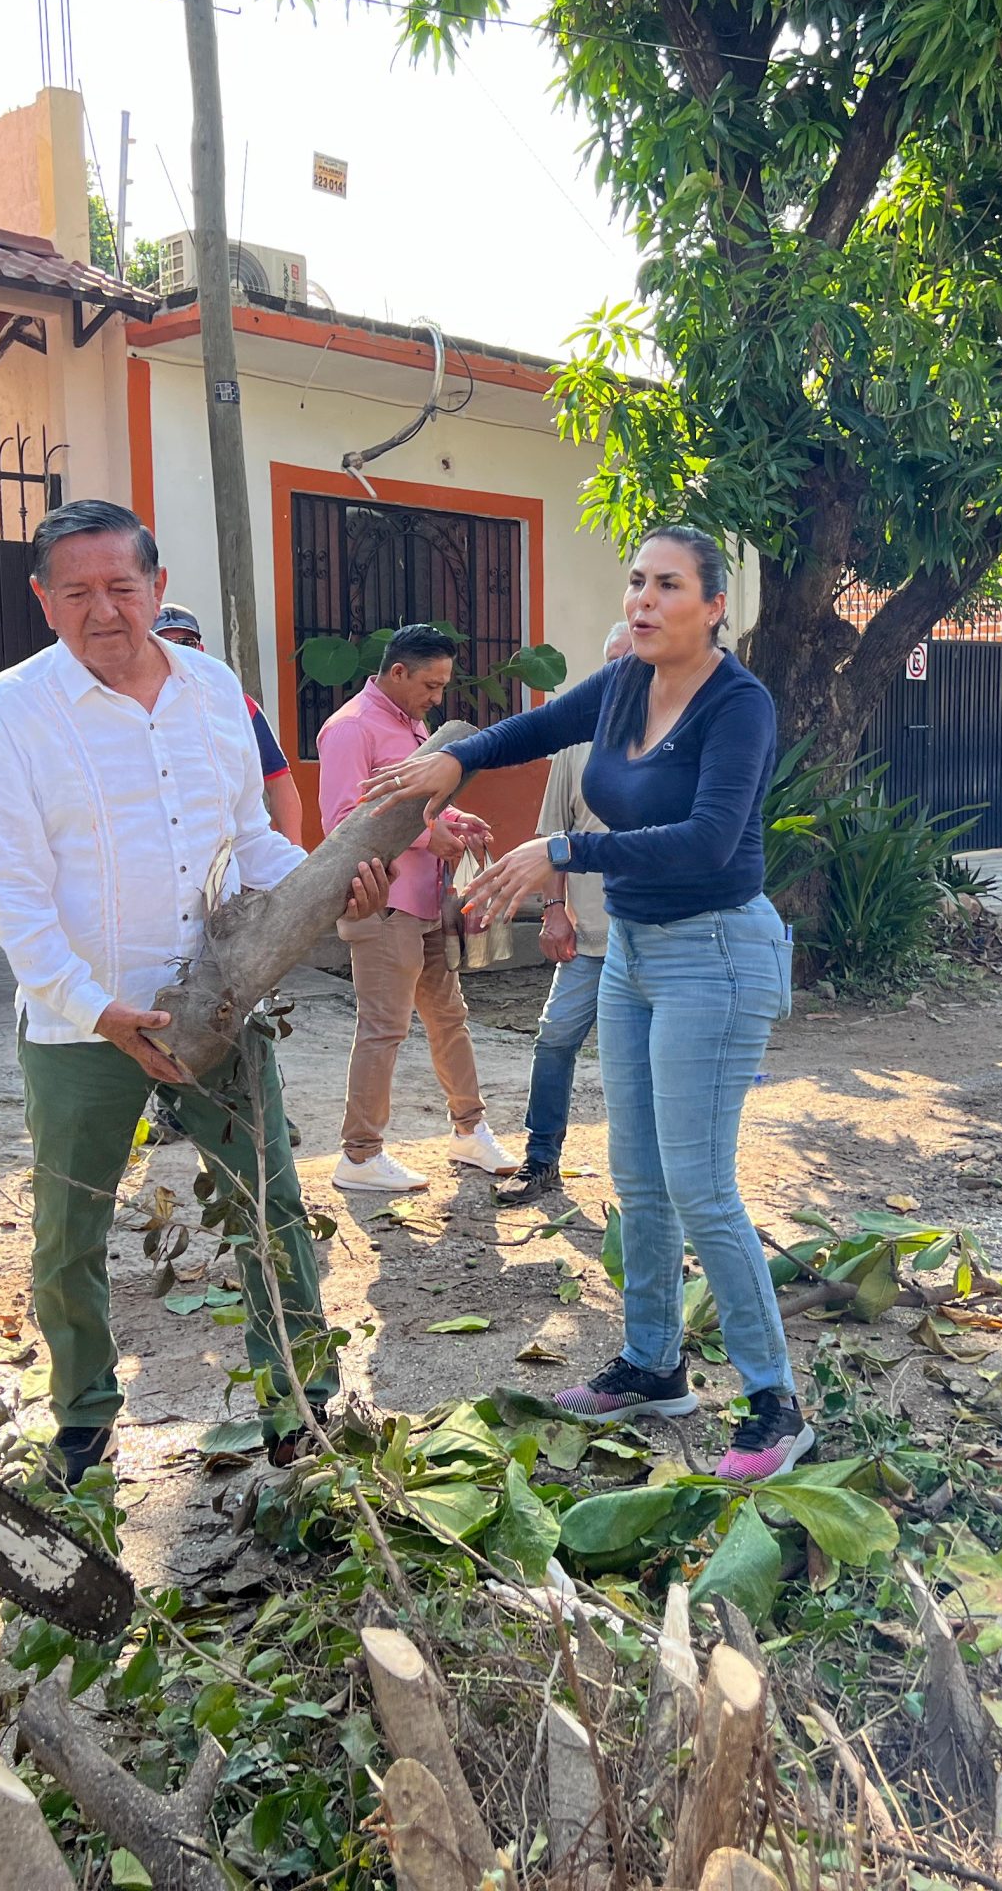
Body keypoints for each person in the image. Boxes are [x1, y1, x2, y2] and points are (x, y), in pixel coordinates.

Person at [360, 529, 810, 1483]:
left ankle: (775, 1401)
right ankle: (653, 1364)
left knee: (699, 1181)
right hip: (633, 953)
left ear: (714, 604)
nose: (645, 600)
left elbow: (706, 838)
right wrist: (456, 761)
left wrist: (561, 854)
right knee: (637, 1176)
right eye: (637, 582)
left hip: (717, 952)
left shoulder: (740, 705)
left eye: (669, 585)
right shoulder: (621, 687)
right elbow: (532, 728)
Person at [0, 501, 390, 1481]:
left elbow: (248, 842)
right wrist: (90, 1006)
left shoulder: (211, 690)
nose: (104, 611)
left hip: (221, 1003)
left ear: (157, 588)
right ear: (43, 600)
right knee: (70, 1231)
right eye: (77, 592)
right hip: (83, 1025)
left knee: (270, 1204)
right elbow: (8, 888)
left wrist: (324, 882)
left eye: (123, 587)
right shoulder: (12, 710)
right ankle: (82, 1419)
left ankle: (301, 1401)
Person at [316, 624, 516, 1192]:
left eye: (442, 686)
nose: (436, 697)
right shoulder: (351, 728)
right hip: (382, 902)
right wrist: (434, 837)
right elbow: (344, 822)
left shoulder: (412, 725)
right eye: (430, 684)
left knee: (449, 1017)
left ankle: (469, 1132)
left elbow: (416, 807)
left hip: (425, 901)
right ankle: (358, 1156)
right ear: (397, 672)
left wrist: (455, 820)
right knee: (384, 1027)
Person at [498, 619, 636, 1205]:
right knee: (555, 1040)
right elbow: (555, 835)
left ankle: (644, 1188)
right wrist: (554, 909)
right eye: (611, 664)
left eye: (629, 662)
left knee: (639, 1065)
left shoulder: (685, 739)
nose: (618, 676)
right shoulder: (577, 744)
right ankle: (541, 1159)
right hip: (588, 938)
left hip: (655, 938)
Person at [153, 603, 304, 841]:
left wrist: (298, 863)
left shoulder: (235, 704)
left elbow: (279, 781)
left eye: (186, 643)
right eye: (166, 644)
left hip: (236, 854)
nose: (176, 652)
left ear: (200, 649)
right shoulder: (132, 711)